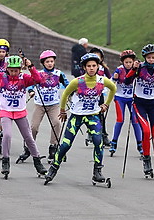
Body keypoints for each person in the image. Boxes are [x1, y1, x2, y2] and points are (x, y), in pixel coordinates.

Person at [44, 53, 116, 186]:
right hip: (77, 115)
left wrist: (106, 104)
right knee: (66, 144)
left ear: (98, 66)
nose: (92, 68)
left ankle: (97, 172)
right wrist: (62, 110)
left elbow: (113, 88)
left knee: (98, 141)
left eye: (94, 65)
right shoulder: (78, 81)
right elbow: (65, 94)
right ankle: (53, 167)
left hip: (93, 115)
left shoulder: (101, 80)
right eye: (88, 66)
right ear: (84, 67)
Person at [0, 55, 47, 178]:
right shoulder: (0, 77)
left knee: (28, 137)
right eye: (11, 70)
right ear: (7, 69)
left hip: (20, 112)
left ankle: (37, 162)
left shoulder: (24, 78)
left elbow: (38, 80)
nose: (14, 73)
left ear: (20, 69)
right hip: (5, 111)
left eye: (16, 70)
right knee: (7, 135)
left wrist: (31, 67)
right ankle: (5, 161)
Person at [125, 44, 154, 178]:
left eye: (153, 57)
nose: (151, 59)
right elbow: (127, 81)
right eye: (149, 57)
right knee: (145, 131)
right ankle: (146, 160)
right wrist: (133, 70)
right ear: (145, 58)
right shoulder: (140, 67)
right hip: (140, 104)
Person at [17, 50, 69, 164]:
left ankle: (53, 148)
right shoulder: (38, 74)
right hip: (40, 104)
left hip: (54, 105)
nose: (50, 63)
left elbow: (68, 85)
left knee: (57, 123)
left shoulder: (59, 74)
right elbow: (29, 85)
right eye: (47, 61)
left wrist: (72, 93)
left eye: (51, 61)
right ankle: (28, 149)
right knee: (34, 127)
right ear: (43, 63)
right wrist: (30, 91)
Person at [109, 50, 143, 156]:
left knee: (135, 120)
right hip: (120, 98)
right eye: (126, 62)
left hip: (132, 98)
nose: (128, 64)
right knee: (120, 119)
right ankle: (114, 142)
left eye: (130, 62)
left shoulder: (136, 70)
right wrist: (114, 79)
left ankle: (140, 144)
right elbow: (111, 82)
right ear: (122, 62)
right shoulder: (119, 70)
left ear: (133, 62)